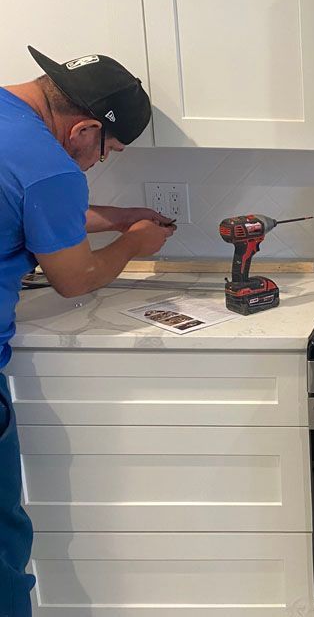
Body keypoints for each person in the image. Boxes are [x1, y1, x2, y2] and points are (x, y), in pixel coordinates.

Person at [1, 46, 175, 614]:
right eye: (108, 153)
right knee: (2, 550)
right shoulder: (48, 165)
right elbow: (76, 278)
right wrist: (133, 244)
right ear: (86, 129)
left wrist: (118, 215)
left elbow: (35, 205)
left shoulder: (13, 124)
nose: (99, 162)